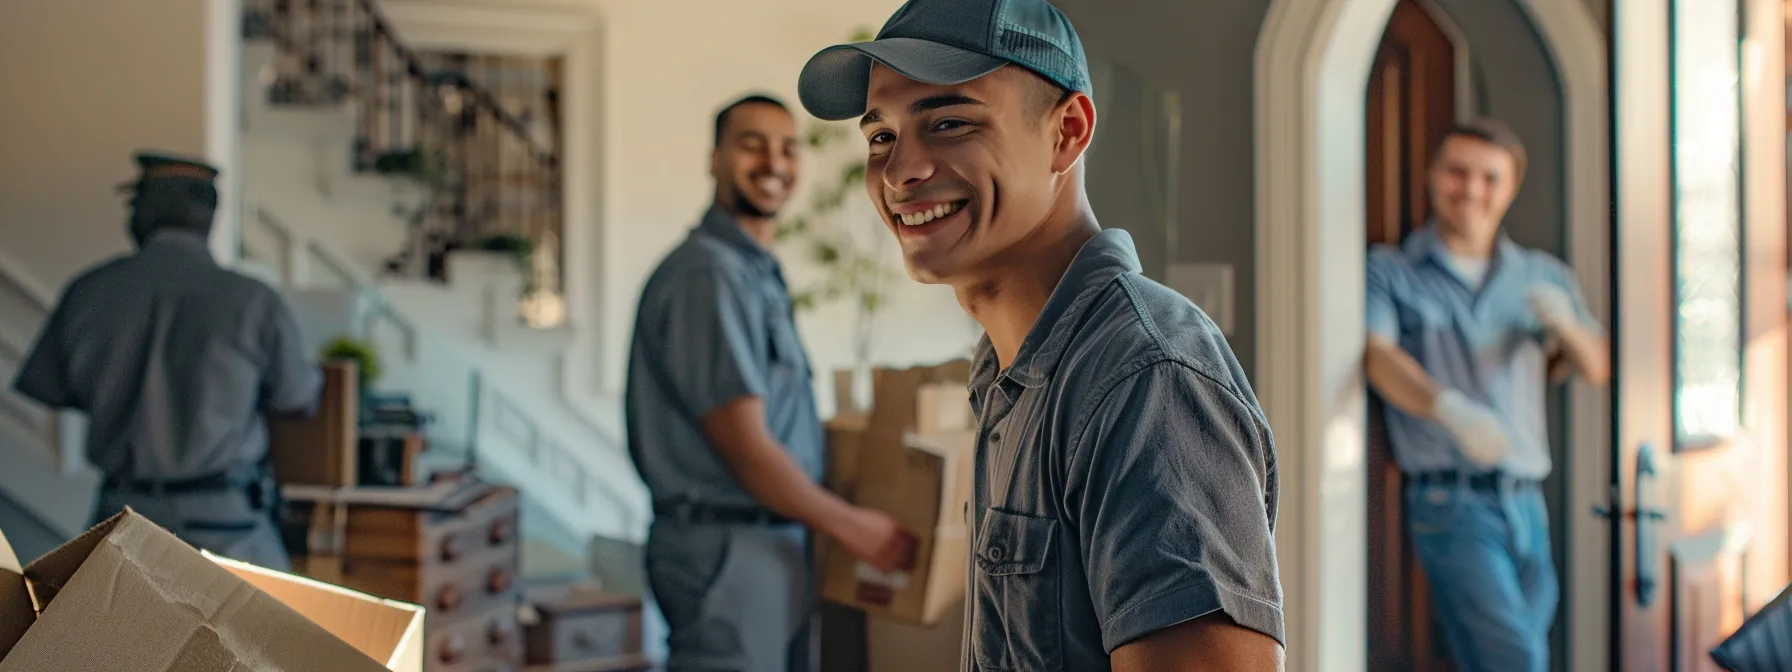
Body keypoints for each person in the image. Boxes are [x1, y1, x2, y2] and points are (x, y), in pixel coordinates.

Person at [797, 2, 1286, 670]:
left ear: (1067, 133)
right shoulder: (1009, 372)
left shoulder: (1145, 378)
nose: (898, 171)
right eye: (880, 136)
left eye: (948, 122)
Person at [624, 94, 914, 672]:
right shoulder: (709, 274)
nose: (774, 162)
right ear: (714, 159)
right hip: (730, 547)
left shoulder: (752, 271)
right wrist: (852, 526)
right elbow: (746, 446)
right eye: (752, 143)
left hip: (770, 543)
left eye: (787, 147)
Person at [1361, 118, 1611, 672]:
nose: (1471, 189)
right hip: (1450, 502)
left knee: (1517, 655)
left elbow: (1596, 366)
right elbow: (1377, 357)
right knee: (1516, 661)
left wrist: (1567, 327)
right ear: (1432, 176)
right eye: (1456, 172)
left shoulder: (1542, 275)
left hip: (1527, 501)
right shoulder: (1392, 270)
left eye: (1489, 177)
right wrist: (1449, 409)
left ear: (1512, 186)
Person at [11, 152, 322, 570]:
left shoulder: (89, 291)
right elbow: (297, 401)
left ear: (147, 212)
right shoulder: (254, 301)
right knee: (276, 633)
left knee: (105, 633)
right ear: (208, 216)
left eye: (133, 204)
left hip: (119, 523)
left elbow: (51, 389)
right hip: (228, 525)